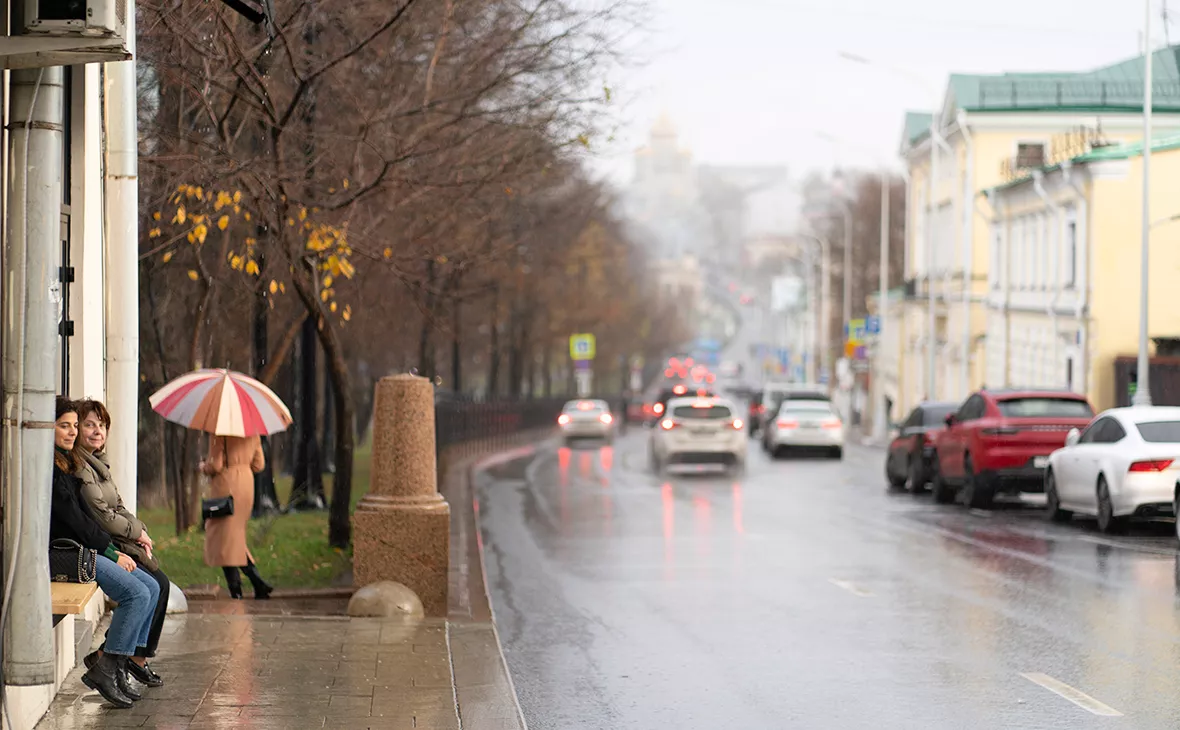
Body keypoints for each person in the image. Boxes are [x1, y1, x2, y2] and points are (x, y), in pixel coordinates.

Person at [50, 397, 160, 709]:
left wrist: (112, 549)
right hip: (65, 553)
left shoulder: (68, 463)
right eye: (65, 426)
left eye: (74, 425)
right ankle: (106, 667)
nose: (72, 432)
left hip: (85, 548)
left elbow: (87, 517)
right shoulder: (52, 469)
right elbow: (78, 521)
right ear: (48, 428)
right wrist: (112, 554)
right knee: (137, 594)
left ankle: (115, 664)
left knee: (151, 587)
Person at [73, 399, 168, 686]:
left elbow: (119, 506)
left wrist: (141, 531)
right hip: (105, 542)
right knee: (151, 587)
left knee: (157, 584)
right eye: (89, 425)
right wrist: (134, 534)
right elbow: (102, 516)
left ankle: (123, 657)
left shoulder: (99, 464)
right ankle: (122, 658)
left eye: (102, 426)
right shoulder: (82, 467)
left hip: (117, 538)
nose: (97, 431)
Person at [200, 434, 273, 599]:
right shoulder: (252, 432)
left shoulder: (219, 433)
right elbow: (259, 464)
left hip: (226, 486)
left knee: (224, 541)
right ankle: (257, 584)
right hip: (246, 485)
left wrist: (204, 466)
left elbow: (216, 465)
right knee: (234, 538)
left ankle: (238, 589)